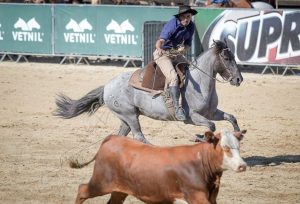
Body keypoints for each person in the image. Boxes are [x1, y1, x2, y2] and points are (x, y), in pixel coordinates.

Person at [153, 5, 197, 121]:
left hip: (175, 54)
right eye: (184, 17)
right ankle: (177, 108)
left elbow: (188, 43)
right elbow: (160, 41)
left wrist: (184, 49)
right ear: (179, 17)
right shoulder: (172, 24)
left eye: (189, 16)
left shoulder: (191, 26)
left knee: (191, 70)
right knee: (173, 77)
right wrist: (159, 49)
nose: (187, 19)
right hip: (163, 54)